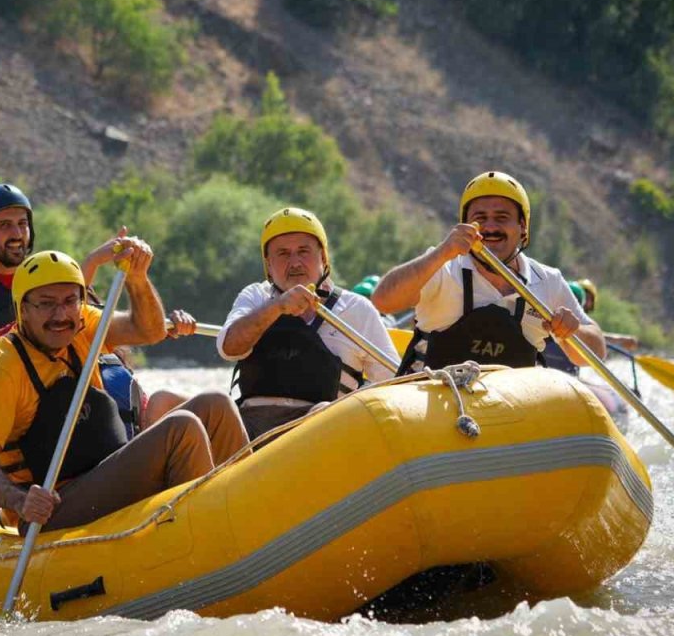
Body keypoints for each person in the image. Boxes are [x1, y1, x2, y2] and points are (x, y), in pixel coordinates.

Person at [0, 246, 250, 530]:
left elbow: (150, 330)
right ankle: (201, 530)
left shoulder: (84, 323)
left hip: (105, 471)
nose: (60, 315)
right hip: (55, 506)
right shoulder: (1, 367)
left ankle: (249, 507)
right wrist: (20, 500)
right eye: (46, 303)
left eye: (70, 301)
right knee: (180, 428)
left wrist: (137, 278)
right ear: (22, 310)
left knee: (215, 405)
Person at [0, 183, 195, 436]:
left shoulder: (45, 274)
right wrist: (89, 266)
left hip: (57, 396)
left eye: (22, 224)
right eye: (4, 225)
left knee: (177, 403)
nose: (16, 234)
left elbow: (105, 325)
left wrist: (162, 321)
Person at [371, 171, 606, 374]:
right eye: (480, 219)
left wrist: (573, 332)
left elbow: (594, 354)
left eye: (502, 218)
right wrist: (443, 252)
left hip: (512, 411)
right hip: (434, 403)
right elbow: (383, 301)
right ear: (465, 226)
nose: (491, 227)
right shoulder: (441, 267)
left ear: (522, 227)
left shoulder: (548, 281)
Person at [218, 208, 397, 440]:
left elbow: (392, 380)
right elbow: (229, 348)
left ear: (323, 257)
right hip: (250, 430)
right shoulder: (255, 297)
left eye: (303, 251)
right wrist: (277, 307)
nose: (295, 262)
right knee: (213, 402)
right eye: (283, 254)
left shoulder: (357, 309)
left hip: (320, 432)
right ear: (269, 266)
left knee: (322, 413)